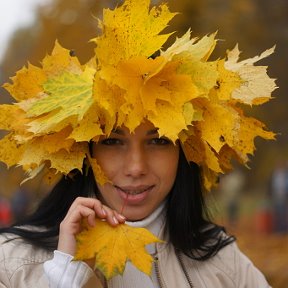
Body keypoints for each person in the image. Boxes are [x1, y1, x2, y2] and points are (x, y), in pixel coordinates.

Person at [0, 0, 276, 287]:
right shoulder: (11, 264)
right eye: (112, 141)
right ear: (85, 151)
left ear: (184, 151)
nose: (136, 167)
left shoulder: (225, 264)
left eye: (158, 140)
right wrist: (65, 277)